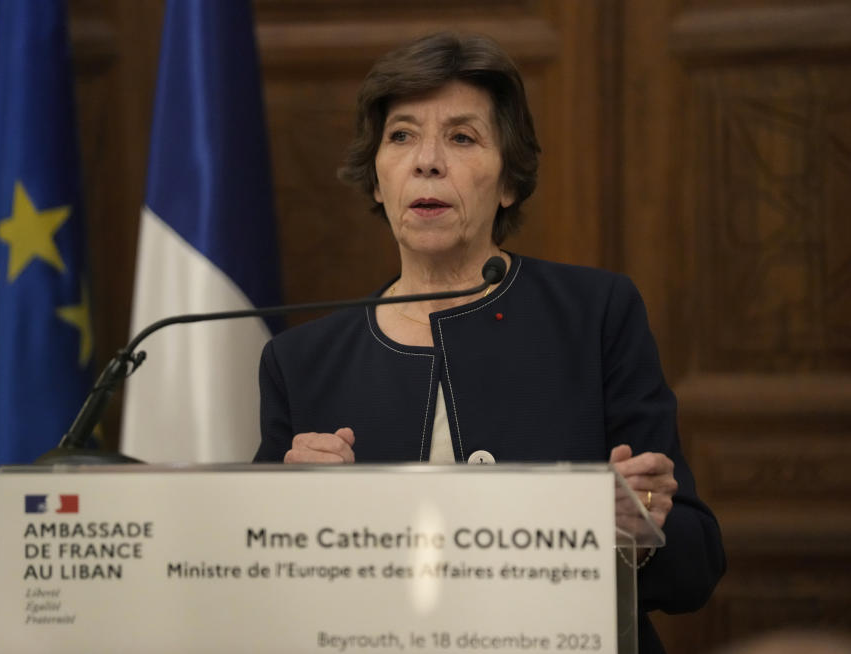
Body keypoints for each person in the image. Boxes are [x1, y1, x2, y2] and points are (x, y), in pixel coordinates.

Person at [254, 32, 725, 653]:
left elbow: (696, 564)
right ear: (376, 180)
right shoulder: (302, 361)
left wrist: (637, 533)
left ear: (508, 182)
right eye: (401, 136)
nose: (426, 160)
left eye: (462, 137)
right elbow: (257, 590)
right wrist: (288, 519)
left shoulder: (595, 315)